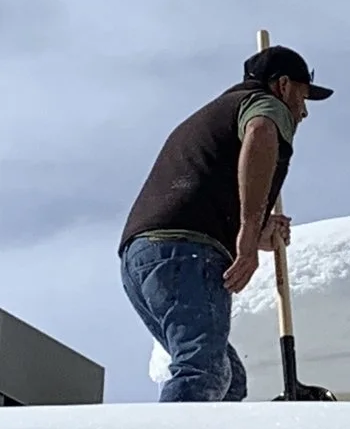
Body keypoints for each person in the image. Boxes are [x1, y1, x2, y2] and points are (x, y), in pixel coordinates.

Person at [120, 45, 331, 402]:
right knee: (204, 370)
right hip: (184, 252)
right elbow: (261, 133)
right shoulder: (265, 105)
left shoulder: (219, 114)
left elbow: (206, 190)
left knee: (228, 380)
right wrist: (248, 236)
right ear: (282, 85)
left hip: (143, 257)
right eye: (303, 95)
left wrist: (259, 231)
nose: (304, 111)